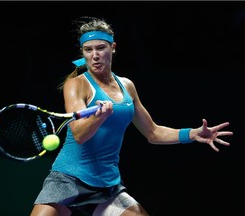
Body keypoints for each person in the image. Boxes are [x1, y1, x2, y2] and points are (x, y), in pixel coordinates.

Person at [30, 16, 233, 216]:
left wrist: (192, 134)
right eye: (88, 50)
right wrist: (99, 117)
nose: (95, 55)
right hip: (68, 179)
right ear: (82, 52)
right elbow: (79, 134)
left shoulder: (127, 86)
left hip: (106, 185)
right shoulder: (76, 84)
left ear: (113, 47)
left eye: (100, 48)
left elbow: (153, 132)